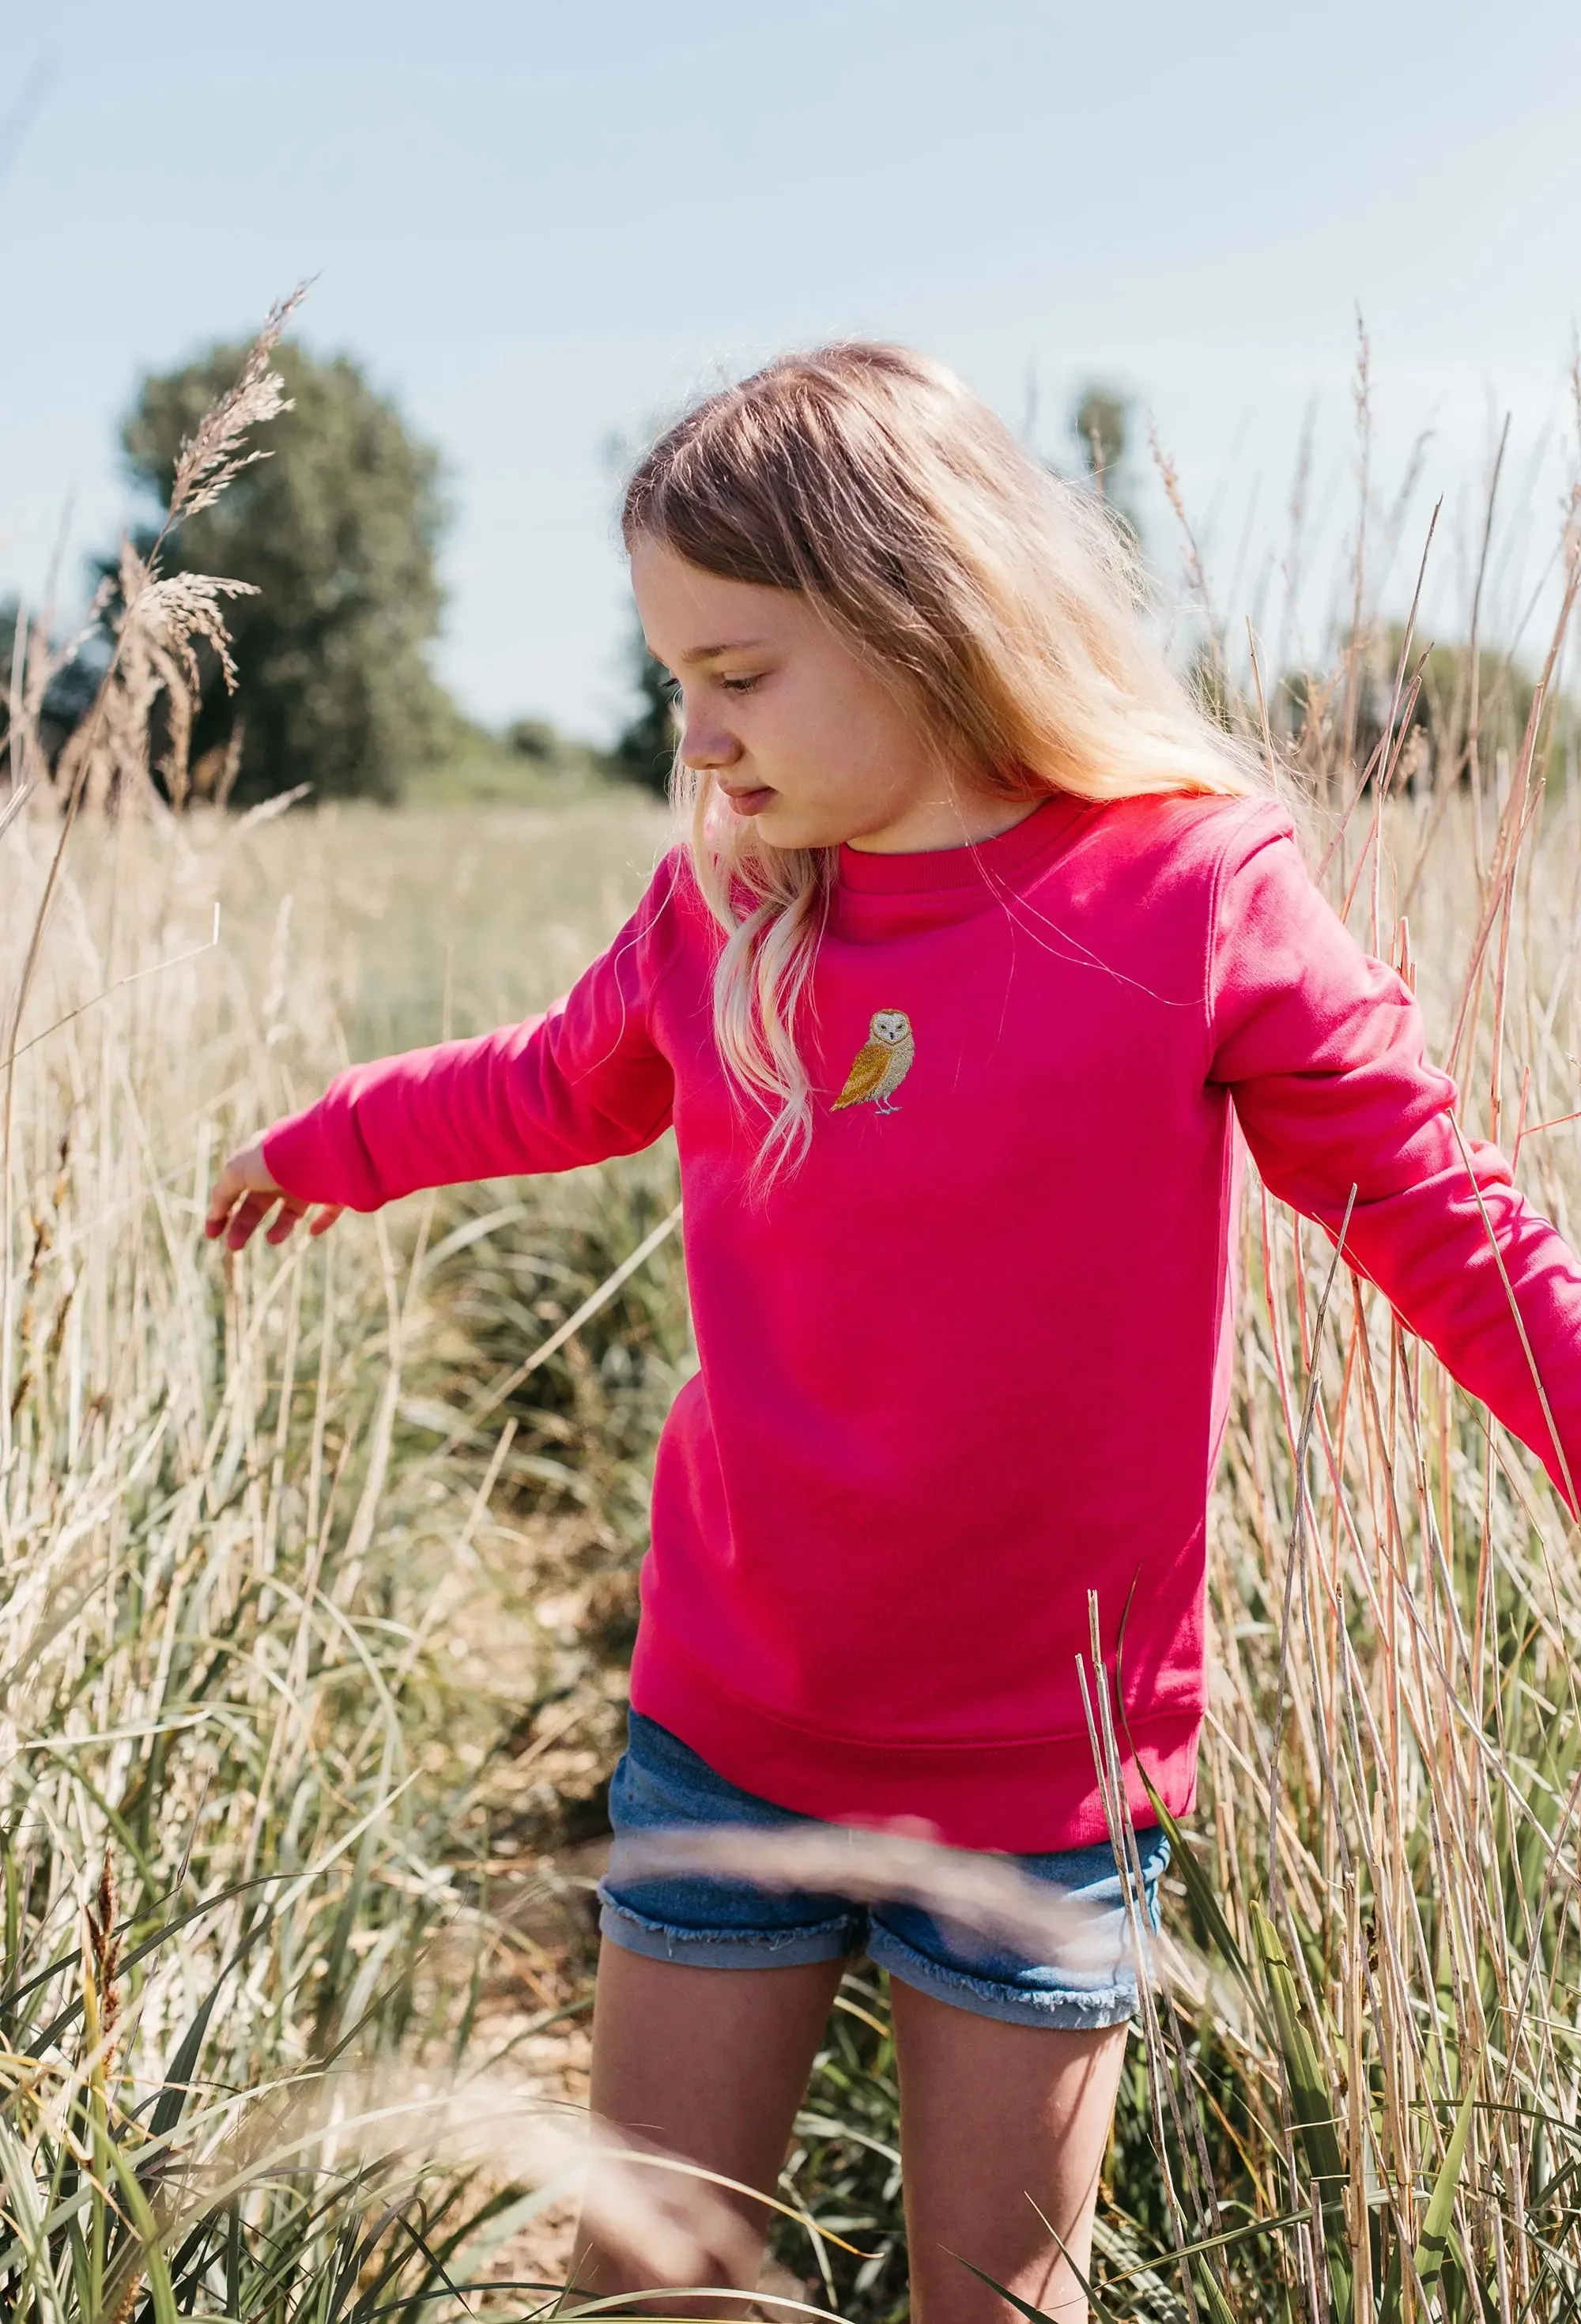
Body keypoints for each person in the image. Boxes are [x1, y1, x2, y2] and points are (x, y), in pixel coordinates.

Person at [206, 344, 1581, 2324]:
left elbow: (1443, 1215)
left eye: (737, 676)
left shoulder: (1191, 893)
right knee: (642, 2282)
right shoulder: (732, 916)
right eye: (676, 678)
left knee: (994, 2306)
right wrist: (319, 1145)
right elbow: (550, 1081)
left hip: (1047, 1783)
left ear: (918, 614)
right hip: (728, 1723)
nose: (694, 736)